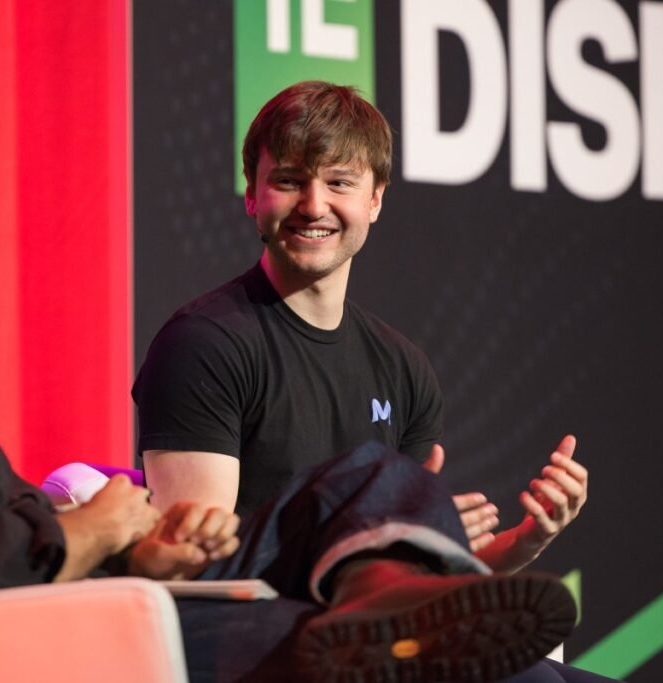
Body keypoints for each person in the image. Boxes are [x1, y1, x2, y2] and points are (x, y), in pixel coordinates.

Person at [0, 36, 581, 682]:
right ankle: (400, 590)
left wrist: (131, 548)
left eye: (342, 183)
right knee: (368, 526)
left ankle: (406, 588)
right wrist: (99, 530)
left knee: (436, 615)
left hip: (49, 612)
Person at [133, 81, 589, 576]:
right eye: (288, 181)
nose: (313, 205)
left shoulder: (403, 369)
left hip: (366, 633)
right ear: (252, 196)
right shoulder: (202, 344)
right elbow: (194, 565)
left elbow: (411, 575)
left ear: (374, 200)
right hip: (245, 639)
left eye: (339, 183)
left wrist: (526, 541)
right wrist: (357, 532)